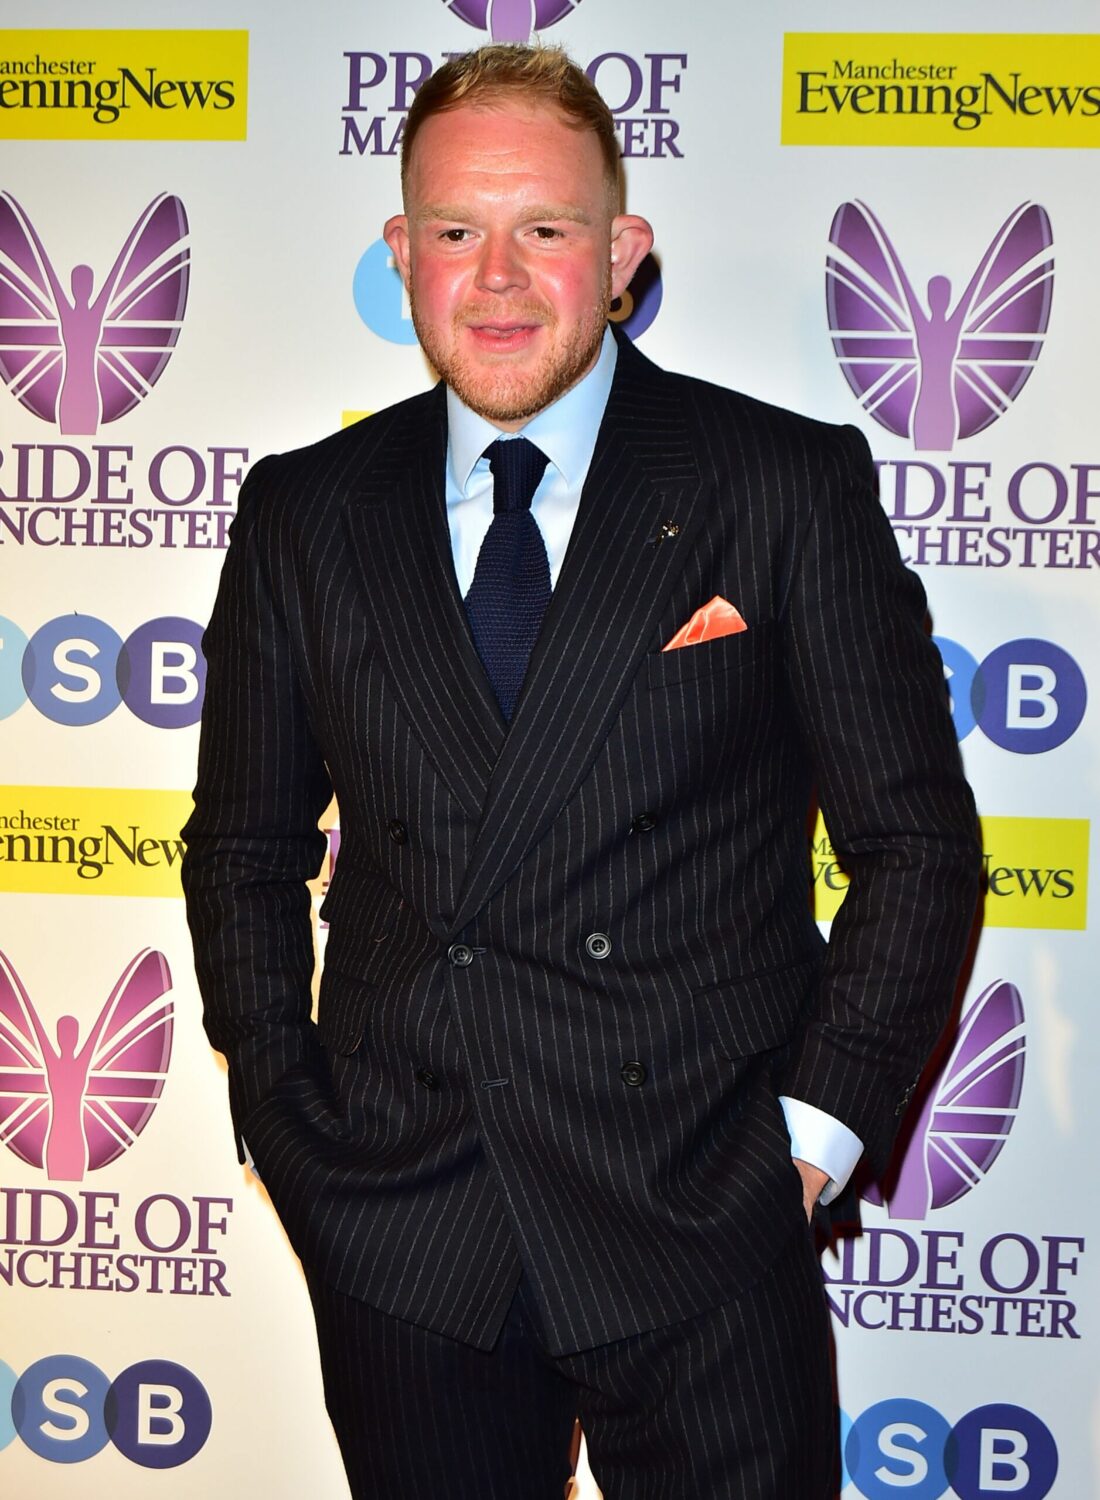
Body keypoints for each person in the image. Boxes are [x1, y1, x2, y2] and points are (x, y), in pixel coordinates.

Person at [181, 42, 981, 1500]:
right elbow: (242, 846)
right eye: (456, 232)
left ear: (622, 253)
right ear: (399, 254)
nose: (497, 276)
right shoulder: (305, 512)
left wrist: (807, 1142)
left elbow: (917, 845)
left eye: (544, 230)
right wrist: (285, 1123)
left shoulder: (780, 484)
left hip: (699, 1207)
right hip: (406, 1223)